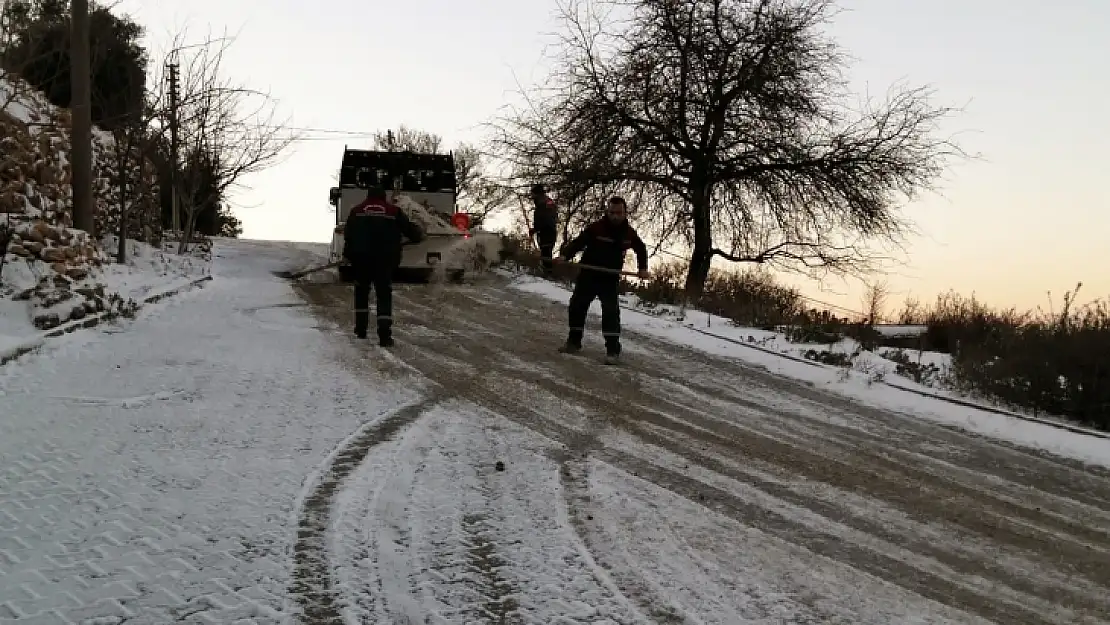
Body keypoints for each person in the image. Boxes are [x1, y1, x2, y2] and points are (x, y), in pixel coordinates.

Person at [556, 196, 649, 364]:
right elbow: (578, 243)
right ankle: (574, 342)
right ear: (608, 212)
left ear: (624, 213)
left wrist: (643, 268)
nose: (615, 216)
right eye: (612, 212)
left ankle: (612, 351)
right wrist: (564, 255)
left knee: (611, 313)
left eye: (619, 213)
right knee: (577, 306)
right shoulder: (596, 228)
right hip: (589, 275)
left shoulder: (628, 233)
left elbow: (641, 249)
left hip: (609, 278)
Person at [342, 186, 424, 346]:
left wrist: (349, 254)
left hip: (361, 261)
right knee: (383, 295)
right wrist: (418, 235)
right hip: (384, 261)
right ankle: (384, 335)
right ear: (383, 197)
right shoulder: (393, 211)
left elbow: (348, 235)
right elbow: (410, 231)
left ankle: (360, 330)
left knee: (361, 293)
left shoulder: (356, 211)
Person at [529, 183, 559, 277]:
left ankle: (548, 273)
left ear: (537, 193)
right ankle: (546, 272)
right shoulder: (541, 203)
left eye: (533, 194)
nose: (532, 196)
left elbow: (546, 219)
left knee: (546, 251)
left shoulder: (545, 203)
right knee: (544, 251)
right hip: (544, 231)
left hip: (548, 231)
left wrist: (536, 229)